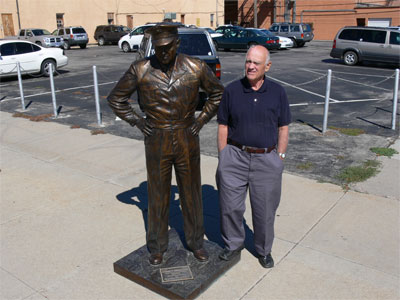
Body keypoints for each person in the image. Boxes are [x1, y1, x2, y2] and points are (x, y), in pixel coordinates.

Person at [107, 23, 224, 265]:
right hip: (156, 138)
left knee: (191, 194)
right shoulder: (140, 69)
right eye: (159, 48)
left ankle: (196, 243)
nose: (163, 53)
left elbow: (218, 93)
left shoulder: (195, 66)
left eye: (168, 48)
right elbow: (116, 99)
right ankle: (157, 246)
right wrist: (137, 122)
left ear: (177, 44)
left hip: (186, 136)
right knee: (158, 195)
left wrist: (201, 119)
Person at [216, 45, 291, 268]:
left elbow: (283, 127)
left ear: (267, 66)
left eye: (256, 63)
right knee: (230, 207)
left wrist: (280, 157)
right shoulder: (232, 90)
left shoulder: (278, 92)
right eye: (248, 61)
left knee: (265, 211)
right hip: (235, 157)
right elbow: (223, 125)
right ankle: (233, 244)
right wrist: (224, 157)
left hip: (267, 160)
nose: (250, 66)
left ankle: (263, 250)